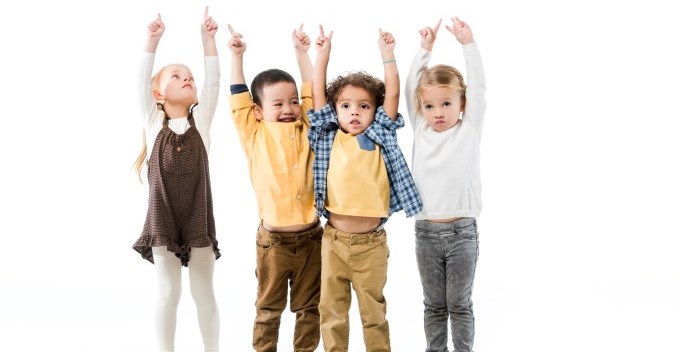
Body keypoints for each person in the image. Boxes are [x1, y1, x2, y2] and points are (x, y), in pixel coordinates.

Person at [308, 25, 422, 352]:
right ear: (335, 110)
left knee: (373, 312)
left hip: (371, 245)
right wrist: (323, 54)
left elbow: (394, 95)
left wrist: (388, 56)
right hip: (333, 241)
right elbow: (318, 97)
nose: (354, 112)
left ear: (375, 110)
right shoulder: (328, 136)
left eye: (363, 106)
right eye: (345, 106)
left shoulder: (381, 135)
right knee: (331, 310)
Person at [227, 24, 323, 352]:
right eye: (278, 104)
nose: (288, 109)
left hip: (312, 236)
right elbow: (238, 98)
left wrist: (302, 54)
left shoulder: (309, 126)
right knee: (269, 308)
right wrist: (237, 55)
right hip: (274, 242)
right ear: (258, 111)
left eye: (292, 102)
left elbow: (312, 92)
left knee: (310, 308)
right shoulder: (254, 133)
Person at [132, 8, 221, 352]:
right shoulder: (153, 123)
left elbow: (213, 81)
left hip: (198, 218)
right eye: (176, 76)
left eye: (189, 77)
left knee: (204, 294)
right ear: (158, 95)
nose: (187, 78)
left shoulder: (204, 122)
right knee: (169, 294)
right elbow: (140, 82)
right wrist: (152, 41)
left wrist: (208, 40)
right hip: (163, 220)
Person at [404, 17, 486, 352]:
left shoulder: (468, 130)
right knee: (434, 305)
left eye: (447, 103)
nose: (438, 112)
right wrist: (424, 49)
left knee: (460, 304)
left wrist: (468, 44)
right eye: (430, 106)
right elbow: (412, 86)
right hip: (426, 233)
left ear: (461, 104)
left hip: (463, 232)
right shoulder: (421, 130)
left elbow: (478, 87)